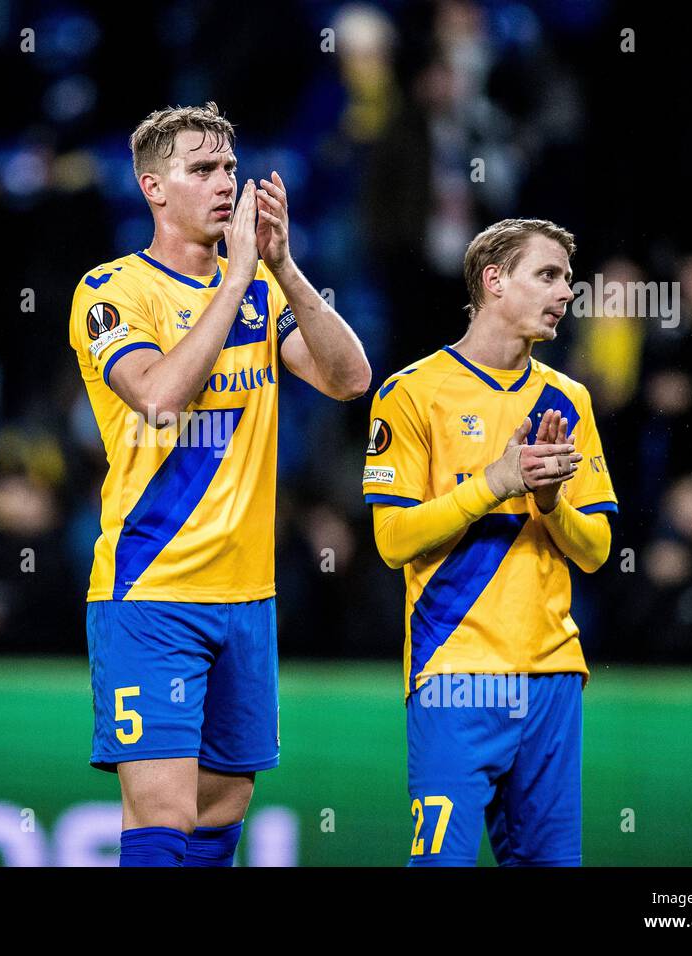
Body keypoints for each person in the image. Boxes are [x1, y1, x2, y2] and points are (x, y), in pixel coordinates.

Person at [68, 103, 371, 866]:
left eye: (230, 169)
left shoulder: (265, 294)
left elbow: (350, 377)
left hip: (247, 595)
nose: (223, 184)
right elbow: (160, 398)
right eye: (201, 170)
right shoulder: (112, 291)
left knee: (222, 808)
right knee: (164, 810)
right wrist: (237, 280)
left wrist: (284, 269)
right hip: (152, 589)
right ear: (153, 188)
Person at [363, 218, 618, 866]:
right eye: (548, 275)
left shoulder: (570, 399)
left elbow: (595, 550)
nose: (565, 292)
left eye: (567, 278)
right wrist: (495, 483)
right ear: (494, 280)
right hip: (455, 676)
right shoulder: (411, 393)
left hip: (553, 676)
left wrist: (549, 503)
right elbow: (392, 540)